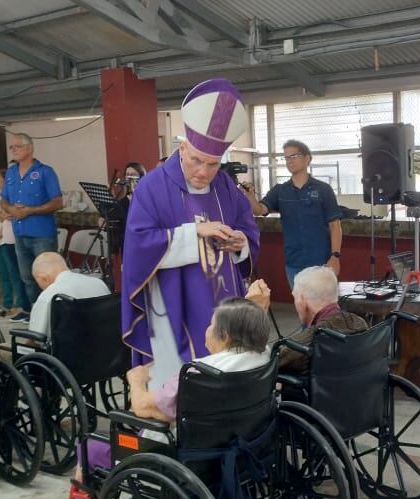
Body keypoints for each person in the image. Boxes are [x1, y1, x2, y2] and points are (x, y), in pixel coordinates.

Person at [121, 78, 259, 400]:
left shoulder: (226, 187)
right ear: (181, 147)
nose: (203, 172)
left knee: (228, 373)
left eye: (212, 164)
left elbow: (248, 231)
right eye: (196, 160)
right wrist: (194, 231)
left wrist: (241, 245)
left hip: (223, 304)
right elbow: (139, 244)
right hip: (172, 302)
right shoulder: (152, 187)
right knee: (178, 387)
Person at [126, 297, 271, 423]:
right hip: (252, 442)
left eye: (211, 325)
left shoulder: (197, 374)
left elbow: (143, 407)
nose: (207, 330)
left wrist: (136, 380)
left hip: (202, 449)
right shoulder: (264, 358)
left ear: (225, 337)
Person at [243, 139, 342, 287]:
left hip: (321, 262)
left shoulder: (323, 189)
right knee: (301, 306)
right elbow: (259, 210)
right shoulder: (280, 190)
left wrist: (335, 257)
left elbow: (335, 226)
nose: (289, 161)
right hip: (294, 262)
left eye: (294, 156)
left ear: (307, 158)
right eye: (286, 157)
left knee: (323, 307)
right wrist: (250, 196)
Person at [245, 266, 367, 375]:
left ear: (302, 301)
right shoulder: (361, 324)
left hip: (312, 400)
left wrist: (257, 314)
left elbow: (257, 366)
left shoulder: (306, 343)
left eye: (294, 297)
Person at [1, 132, 64, 304]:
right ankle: (36, 314)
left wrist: (30, 211)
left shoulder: (45, 172)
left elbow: (58, 202)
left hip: (42, 235)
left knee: (48, 277)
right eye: (11, 147)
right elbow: (4, 199)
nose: (13, 150)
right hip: (20, 234)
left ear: (29, 148)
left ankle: (54, 315)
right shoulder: (11, 172)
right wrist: (11, 209)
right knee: (28, 278)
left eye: (17, 146)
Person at [0, 168, 31, 320]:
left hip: (5, 239)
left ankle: (18, 305)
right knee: (2, 274)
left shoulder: (9, 196)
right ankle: (7, 303)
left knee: (14, 273)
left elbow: (4, 218)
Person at [28, 252, 110, 336]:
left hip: (68, 347)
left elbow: (35, 336)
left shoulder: (49, 296)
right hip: (105, 344)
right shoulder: (98, 283)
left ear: (43, 278)